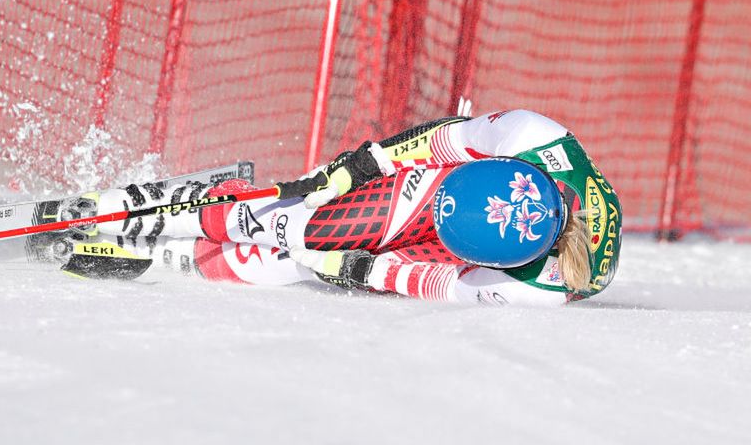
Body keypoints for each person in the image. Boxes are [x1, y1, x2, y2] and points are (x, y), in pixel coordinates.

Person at [55, 109, 622, 306]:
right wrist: (358, 167)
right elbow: (439, 143)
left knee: (310, 259)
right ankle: (163, 213)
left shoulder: (536, 288)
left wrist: (366, 270)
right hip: (447, 181)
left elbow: (439, 283)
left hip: (467, 245)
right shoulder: (527, 137)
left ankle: (186, 259)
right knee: (314, 228)